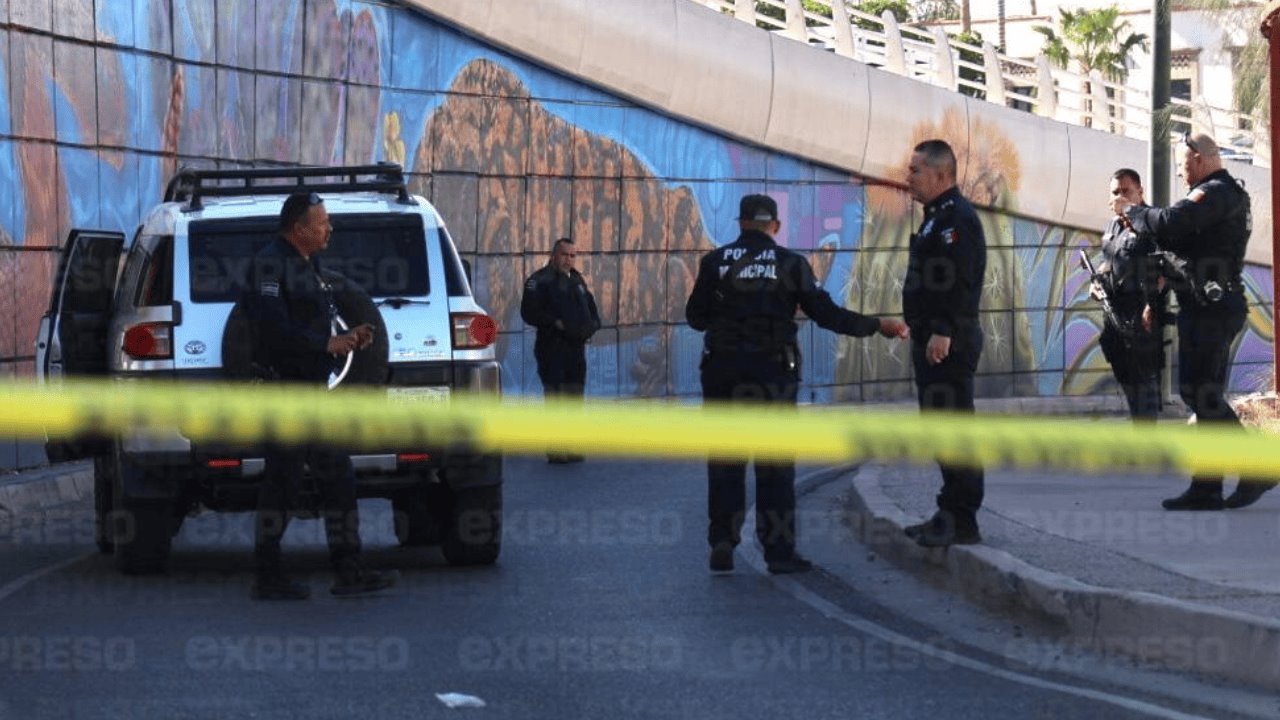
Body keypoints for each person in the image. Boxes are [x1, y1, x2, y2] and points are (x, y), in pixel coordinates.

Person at [685, 193, 908, 575]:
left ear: (739, 223)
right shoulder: (791, 264)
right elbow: (827, 315)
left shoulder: (714, 262)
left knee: (725, 460)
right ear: (775, 226)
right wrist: (878, 325)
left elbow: (695, 318)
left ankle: (722, 538)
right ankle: (778, 553)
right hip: (772, 375)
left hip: (723, 372)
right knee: (775, 465)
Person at [245, 192, 400, 600]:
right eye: (322, 223)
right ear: (299, 229)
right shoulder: (270, 265)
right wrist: (324, 346)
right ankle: (267, 576)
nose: (329, 229)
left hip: (312, 391)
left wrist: (348, 338)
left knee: (338, 479)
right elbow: (272, 330)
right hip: (285, 391)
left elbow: (316, 316)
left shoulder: (308, 264)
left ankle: (349, 571)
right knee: (283, 482)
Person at [1111, 132, 1276, 510]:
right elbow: (1174, 247)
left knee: (1198, 393)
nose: (1183, 175)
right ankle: (1206, 486)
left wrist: (1134, 212)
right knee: (1204, 396)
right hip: (1201, 305)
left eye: (1185, 167)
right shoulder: (1212, 194)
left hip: (1214, 307)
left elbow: (1172, 222)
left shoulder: (1216, 192)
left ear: (1201, 159)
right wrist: (1156, 299)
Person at [901, 139, 988, 548]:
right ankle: (948, 510)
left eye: (915, 170)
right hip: (933, 338)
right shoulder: (936, 217)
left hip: (948, 340)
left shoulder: (957, 218)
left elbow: (960, 280)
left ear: (940, 175)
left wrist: (944, 330)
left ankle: (963, 519)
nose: (908, 177)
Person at [1090, 168, 1165, 422]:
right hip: (1115, 313)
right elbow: (1109, 262)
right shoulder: (1113, 224)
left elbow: (1163, 269)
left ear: (1140, 192)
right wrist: (1096, 282)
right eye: (1115, 192)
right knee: (1127, 379)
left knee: (1142, 382)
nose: (1120, 197)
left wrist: (1151, 306)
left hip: (1141, 314)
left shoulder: (1151, 222)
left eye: (1126, 191)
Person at [520, 237, 602, 463]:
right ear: (554, 255)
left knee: (574, 395)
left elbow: (590, 307)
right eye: (564, 255)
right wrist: (554, 323)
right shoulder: (539, 280)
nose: (569, 260)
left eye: (573, 255)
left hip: (575, 348)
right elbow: (529, 312)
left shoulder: (576, 279)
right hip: (552, 347)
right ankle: (557, 448)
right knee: (555, 396)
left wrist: (593, 325)